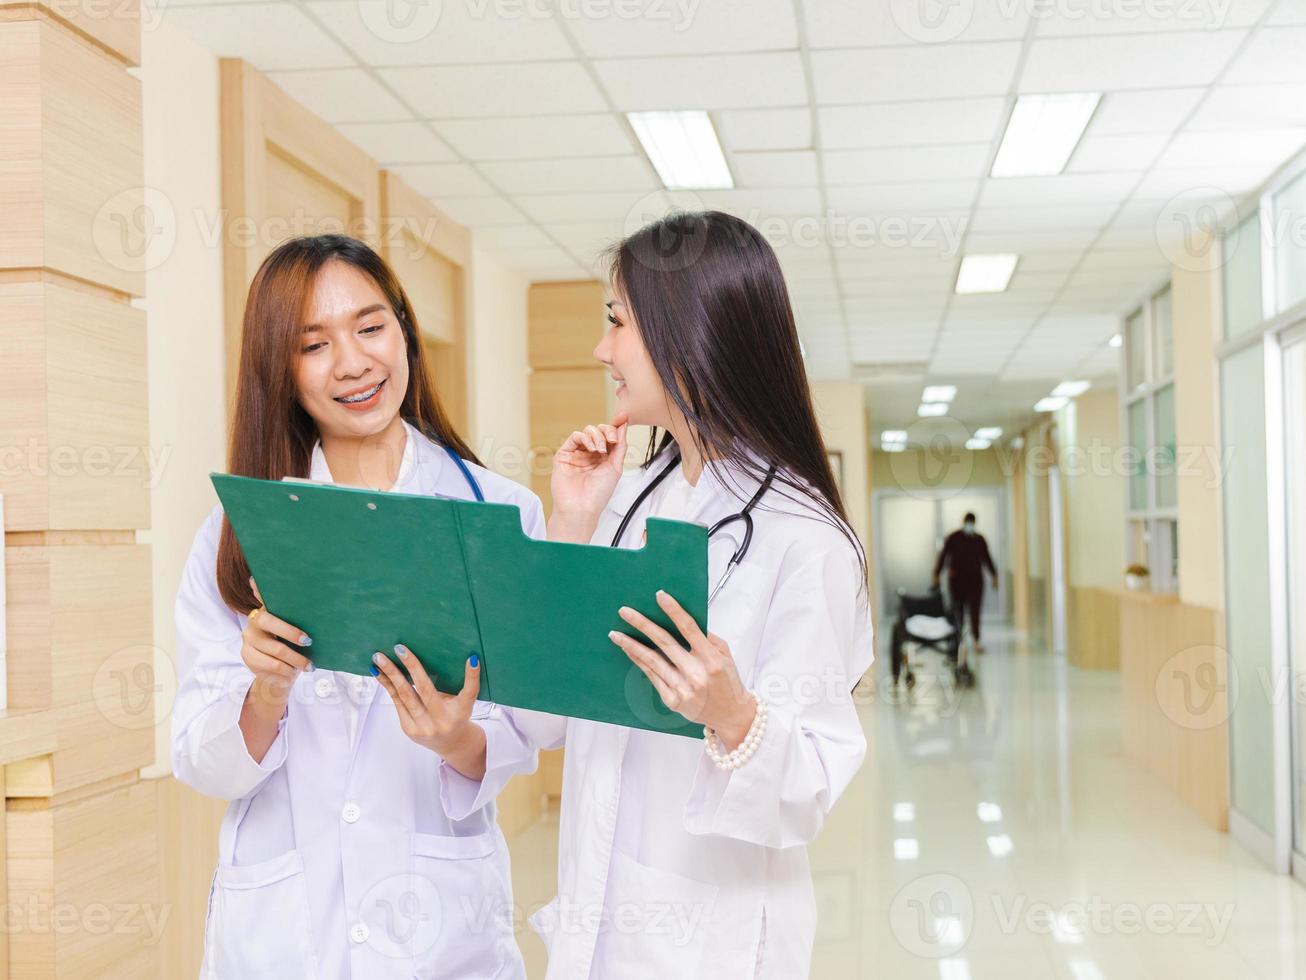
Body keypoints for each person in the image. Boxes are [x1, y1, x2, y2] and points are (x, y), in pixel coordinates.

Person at [489, 210, 873, 978]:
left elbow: (807, 792)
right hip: (600, 915)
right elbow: (540, 711)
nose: (603, 350)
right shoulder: (632, 499)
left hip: (713, 940)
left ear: (687, 331)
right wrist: (571, 520)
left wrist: (733, 715)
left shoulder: (807, 540)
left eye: (617, 323)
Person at [170, 235, 544, 979]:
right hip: (284, 937)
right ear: (280, 367)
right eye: (314, 344)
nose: (353, 362)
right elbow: (199, 757)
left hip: (440, 934)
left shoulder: (498, 514)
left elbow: (528, 730)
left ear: (403, 329)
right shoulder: (236, 538)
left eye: (371, 328)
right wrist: (265, 694)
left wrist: (455, 739)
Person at [932, 512, 999, 655]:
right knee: (958, 612)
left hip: (975, 582)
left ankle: (976, 640)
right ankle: (959, 641)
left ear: (974, 524)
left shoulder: (979, 539)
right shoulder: (954, 538)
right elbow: (944, 555)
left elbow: (987, 558)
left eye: (971, 523)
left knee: (975, 611)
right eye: (968, 522)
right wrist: (937, 573)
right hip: (957, 583)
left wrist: (994, 575)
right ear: (964, 522)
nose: (969, 525)